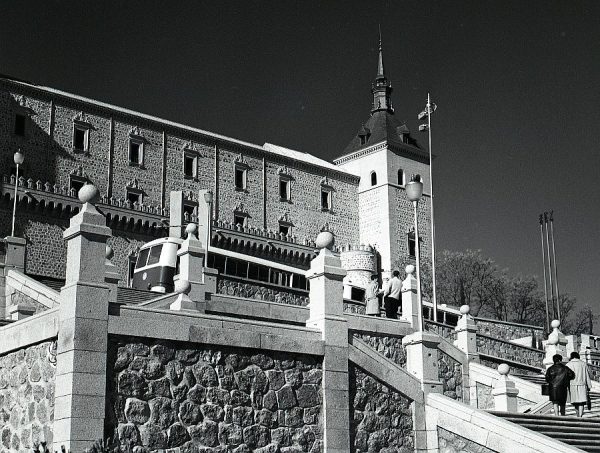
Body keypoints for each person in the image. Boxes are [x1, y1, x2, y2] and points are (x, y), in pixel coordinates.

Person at [567, 351, 592, 417]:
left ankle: (578, 414)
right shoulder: (583, 364)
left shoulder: (568, 364)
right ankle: (580, 416)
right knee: (581, 402)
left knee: (575, 402)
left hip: (572, 385)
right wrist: (589, 385)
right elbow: (587, 375)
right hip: (582, 385)